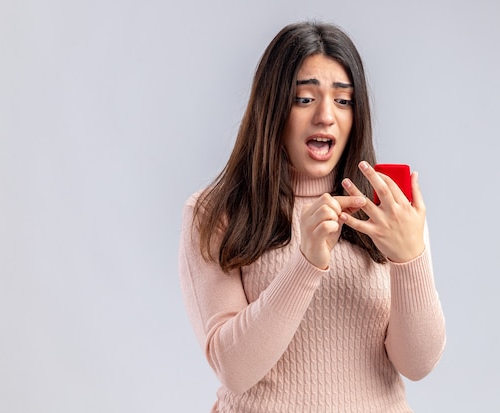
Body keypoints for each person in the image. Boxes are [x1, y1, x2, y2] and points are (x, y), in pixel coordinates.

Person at [178, 21, 446, 413]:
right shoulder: (215, 213)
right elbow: (234, 369)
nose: (325, 116)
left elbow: (418, 364)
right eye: (304, 99)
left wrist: (411, 258)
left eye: (343, 100)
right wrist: (305, 265)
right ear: (272, 108)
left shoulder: (388, 208)